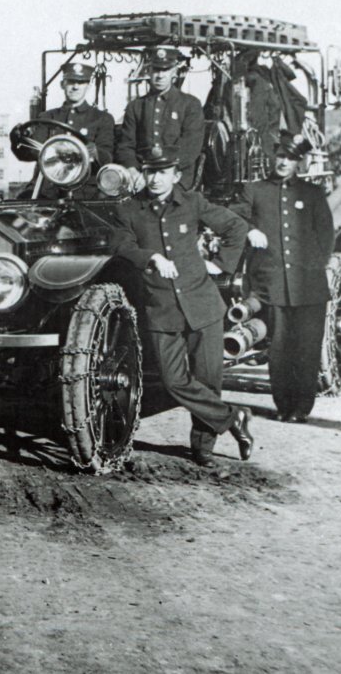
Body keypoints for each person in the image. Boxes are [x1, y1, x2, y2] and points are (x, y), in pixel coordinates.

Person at [111, 148, 254, 466]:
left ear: (175, 175)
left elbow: (236, 227)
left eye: (162, 173)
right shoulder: (129, 209)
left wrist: (220, 265)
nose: (155, 179)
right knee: (173, 381)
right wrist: (151, 257)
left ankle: (203, 448)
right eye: (150, 172)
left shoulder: (192, 202)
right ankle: (234, 418)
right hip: (161, 309)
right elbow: (120, 245)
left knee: (208, 381)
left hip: (203, 305)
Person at [235, 139, 334, 422]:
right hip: (273, 285)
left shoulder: (312, 193)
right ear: (272, 157)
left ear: (298, 162)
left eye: (290, 158)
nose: (283, 162)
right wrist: (249, 229)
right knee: (279, 350)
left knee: (307, 348)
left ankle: (301, 408)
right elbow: (233, 216)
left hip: (309, 287)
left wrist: (311, 270)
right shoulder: (255, 191)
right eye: (279, 156)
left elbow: (325, 236)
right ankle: (283, 405)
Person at [115, 47, 206, 189]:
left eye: (165, 70)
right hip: (140, 178)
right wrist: (132, 171)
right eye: (156, 70)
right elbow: (126, 146)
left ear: (174, 72)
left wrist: (159, 175)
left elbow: (190, 148)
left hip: (177, 179)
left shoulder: (190, 104)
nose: (160, 75)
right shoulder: (135, 106)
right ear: (148, 71)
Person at [40, 62, 115, 163]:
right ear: (62, 85)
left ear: (88, 86)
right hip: (52, 171)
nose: (75, 87)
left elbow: (107, 156)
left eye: (81, 82)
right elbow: (31, 151)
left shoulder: (103, 118)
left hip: (86, 172)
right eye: (71, 82)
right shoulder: (47, 117)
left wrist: (95, 152)